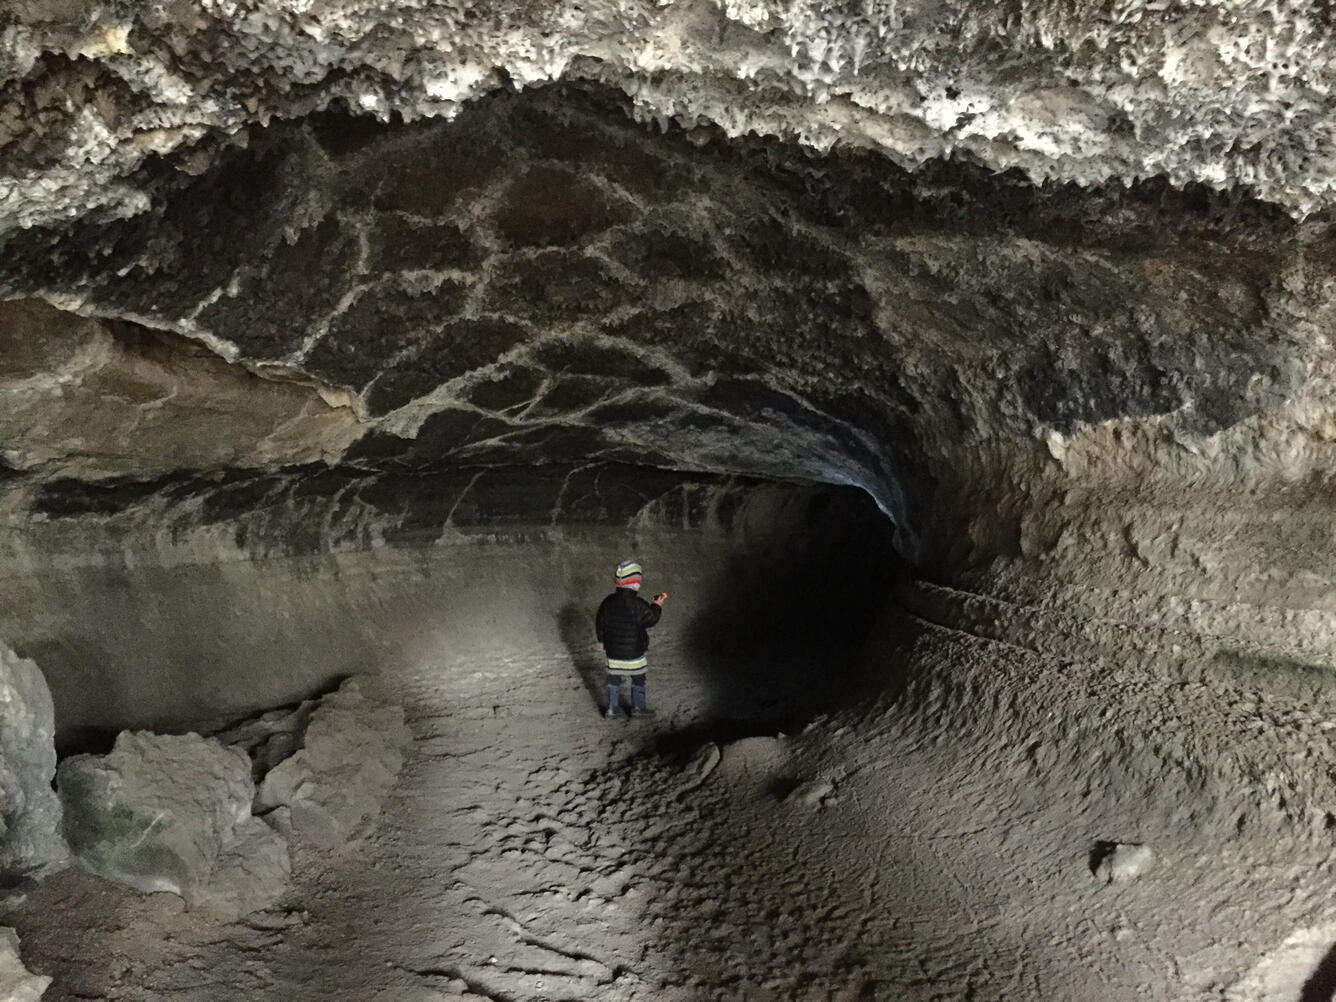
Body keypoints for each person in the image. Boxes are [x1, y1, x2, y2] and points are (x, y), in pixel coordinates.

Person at [595, 559, 666, 718]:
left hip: (613, 650)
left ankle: (613, 710)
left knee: (613, 679)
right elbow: (651, 619)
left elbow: (600, 622)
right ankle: (638, 709)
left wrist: (602, 639)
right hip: (634, 651)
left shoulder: (608, 601)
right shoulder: (638, 604)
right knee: (638, 678)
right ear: (635, 582)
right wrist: (657, 605)